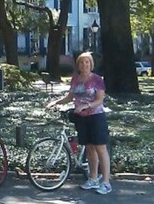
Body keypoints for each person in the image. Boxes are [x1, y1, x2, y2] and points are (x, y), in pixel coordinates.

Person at [47, 52, 112, 194]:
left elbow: (99, 99)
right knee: (89, 148)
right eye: (82, 62)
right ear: (78, 65)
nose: (84, 65)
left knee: (100, 148)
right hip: (81, 118)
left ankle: (106, 182)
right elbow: (70, 96)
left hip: (96, 116)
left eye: (87, 62)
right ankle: (93, 178)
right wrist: (55, 102)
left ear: (91, 64)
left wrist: (86, 106)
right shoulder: (75, 80)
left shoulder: (97, 79)